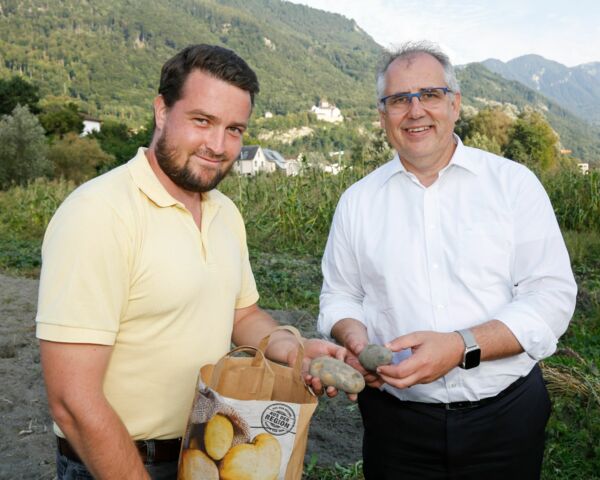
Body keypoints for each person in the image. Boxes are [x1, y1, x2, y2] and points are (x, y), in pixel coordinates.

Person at [36, 44, 345, 480]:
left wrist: (294, 352)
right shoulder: (98, 214)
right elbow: (72, 401)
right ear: (162, 110)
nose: (218, 146)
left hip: (207, 454)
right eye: (203, 121)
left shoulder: (225, 214)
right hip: (117, 462)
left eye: (235, 129)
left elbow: (243, 315)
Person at [318, 41, 577, 479]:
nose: (415, 110)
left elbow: (550, 297)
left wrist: (461, 346)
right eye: (399, 99)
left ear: (455, 104)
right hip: (396, 425)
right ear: (383, 117)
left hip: (505, 418)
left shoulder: (513, 185)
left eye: (430, 95)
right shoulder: (357, 202)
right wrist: (358, 343)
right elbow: (340, 295)